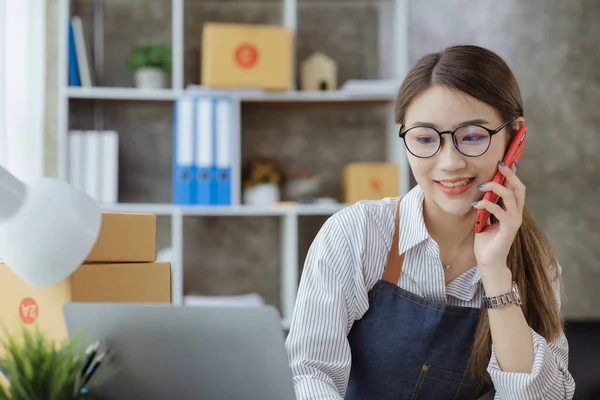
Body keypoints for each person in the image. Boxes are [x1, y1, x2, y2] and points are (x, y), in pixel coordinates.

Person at [284, 45, 576, 400]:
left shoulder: (536, 264)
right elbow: (311, 372)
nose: (450, 162)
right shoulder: (357, 233)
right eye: (425, 138)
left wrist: (495, 271)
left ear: (515, 138)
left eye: (472, 136)